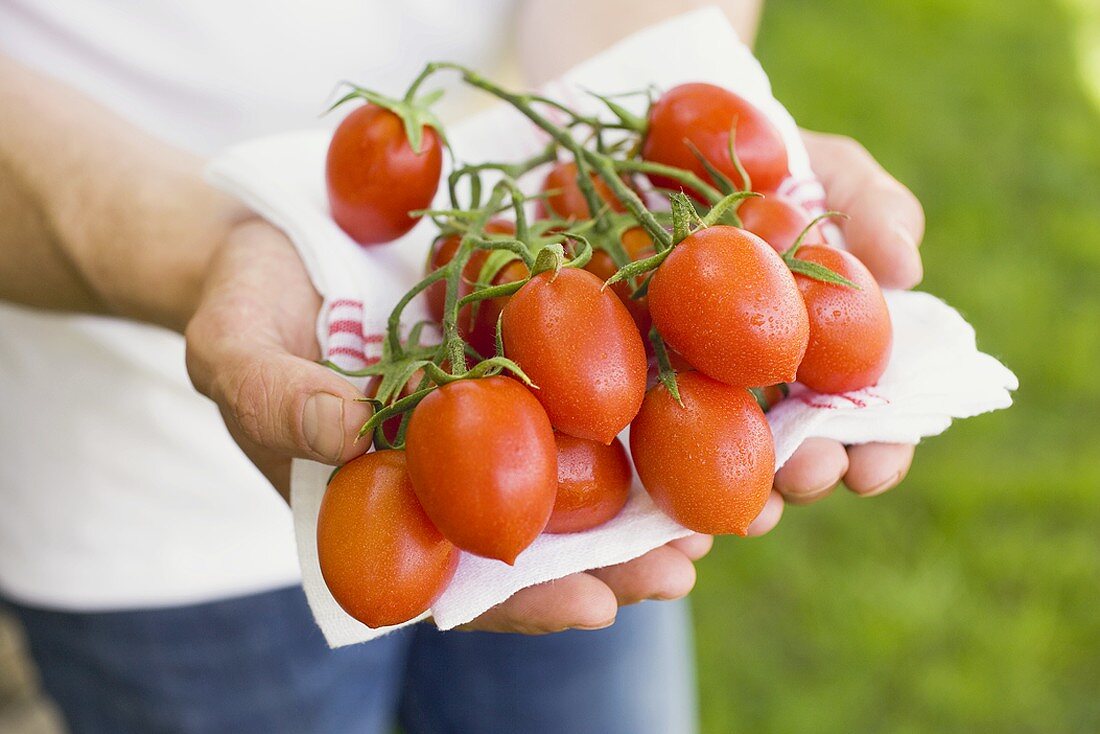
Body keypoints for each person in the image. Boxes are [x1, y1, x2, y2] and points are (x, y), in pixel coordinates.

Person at [0, 1, 925, 732]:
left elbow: (613, 398)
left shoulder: (549, 301)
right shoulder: (526, 313)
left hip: (558, 501)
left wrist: (648, 84)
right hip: (136, 517)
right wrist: (196, 254)